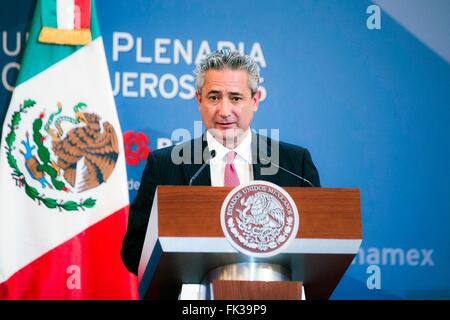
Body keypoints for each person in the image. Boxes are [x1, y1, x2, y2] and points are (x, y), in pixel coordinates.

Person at [121, 50, 320, 275]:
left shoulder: (295, 165)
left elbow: (320, 243)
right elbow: (133, 251)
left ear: (255, 101)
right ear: (199, 100)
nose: (224, 111)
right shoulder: (165, 164)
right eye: (214, 97)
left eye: (235, 98)